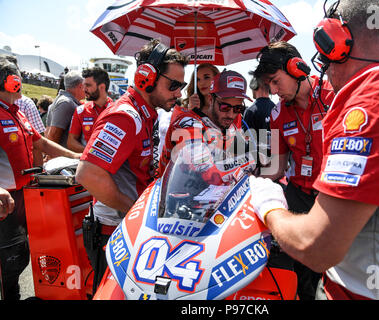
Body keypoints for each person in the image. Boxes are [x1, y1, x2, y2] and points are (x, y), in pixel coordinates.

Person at [249, 0, 379, 300]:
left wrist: (266, 204)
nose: (325, 68)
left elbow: (316, 247)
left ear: (337, 41)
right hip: (371, 275)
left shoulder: (377, 93)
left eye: (324, 56)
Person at [75, 39, 189, 291]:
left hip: (126, 228)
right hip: (113, 233)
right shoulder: (126, 116)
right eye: (174, 85)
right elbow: (88, 174)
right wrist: (136, 211)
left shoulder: (146, 114)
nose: (179, 93)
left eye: (182, 86)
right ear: (146, 78)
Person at [251, 41, 335, 300]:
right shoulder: (278, 113)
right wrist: (248, 183)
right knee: (298, 274)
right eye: (269, 86)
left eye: (276, 82)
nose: (275, 91)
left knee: (335, 272)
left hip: (334, 199)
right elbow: (276, 165)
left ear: (297, 68)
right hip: (299, 196)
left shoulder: (334, 95)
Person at [0, 57, 81, 300]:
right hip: (5, 202)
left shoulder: (17, 112)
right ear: (11, 81)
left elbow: (41, 142)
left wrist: (77, 156)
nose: (21, 82)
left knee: (19, 257)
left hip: (25, 198)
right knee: (8, 264)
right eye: (18, 78)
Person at [158, 70, 254, 180]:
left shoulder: (231, 127)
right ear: (210, 99)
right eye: (225, 107)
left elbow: (249, 163)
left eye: (238, 108)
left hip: (209, 192)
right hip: (171, 193)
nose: (230, 115)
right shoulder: (188, 123)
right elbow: (205, 172)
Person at [67, 67, 113, 153]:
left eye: (88, 85)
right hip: (88, 162)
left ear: (102, 87)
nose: (84, 89)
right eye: (84, 85)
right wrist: (93, 153)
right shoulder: (81, 110)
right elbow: (71, 142)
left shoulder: (117, 110)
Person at [243, 76, 276, 172]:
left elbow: (247, 142)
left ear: (254, 86)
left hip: (258, 168)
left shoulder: (250, 111)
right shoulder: (277, 109)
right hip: (277, 165)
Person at [45, 71, 84, 148]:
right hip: (62, 157)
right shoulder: (66, 103)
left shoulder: (63, 100)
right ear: (80, 86)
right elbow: (54, 135)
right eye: (85, 85)